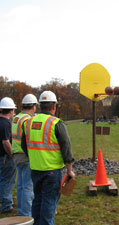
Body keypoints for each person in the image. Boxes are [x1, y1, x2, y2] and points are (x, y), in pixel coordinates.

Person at [21, 91, 75, 225]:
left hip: (35, 170)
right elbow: (66, 148)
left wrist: (34, 157)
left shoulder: (28, 122)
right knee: (49, 204)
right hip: (52, 171)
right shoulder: (56, 123)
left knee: (37, 200)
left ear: (40, 106)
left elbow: (24, 145)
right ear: (54, 106)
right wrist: (69, 170)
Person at [12, 94, 38, 216]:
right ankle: (26, 215)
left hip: (16, 156)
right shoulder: (28, 120)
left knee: (21, 186)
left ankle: (21, 212)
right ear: (33, 106)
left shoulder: (16, 118)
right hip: (26, 156)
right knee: (28, 187)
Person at [0, 97, 17, 213]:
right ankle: (6, 205)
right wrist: (12, 155)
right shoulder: (5, 124)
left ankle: (5, 200)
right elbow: (6, 142)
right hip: (6, 157)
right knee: (8, 180)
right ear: (11, 111)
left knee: (2, 179)